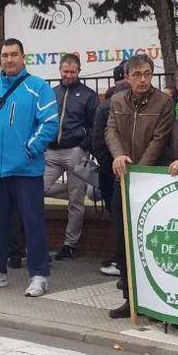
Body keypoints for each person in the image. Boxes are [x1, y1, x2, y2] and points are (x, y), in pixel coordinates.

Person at [0, 39, 59, 297]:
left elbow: (49, 123)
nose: (9, 59)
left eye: (14, 55)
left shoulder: (38, 87)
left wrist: (29, 150)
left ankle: (39, 275)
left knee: (33, 223)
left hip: (26, 170)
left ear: (23, 57)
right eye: (5, 55)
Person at [105, 54, 175, 318]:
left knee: (151, 240)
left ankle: (156, 299)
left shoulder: (164, 102)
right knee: (123, 240)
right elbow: (110, 131)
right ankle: (130, 298)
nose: (143, 79)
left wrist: (139, 171)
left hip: (149, 178)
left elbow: (160, 138)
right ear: (127, 77)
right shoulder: (117, 100)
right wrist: (119, 156)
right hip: (122, 177)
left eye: (147, 74)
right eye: (137, 74)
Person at [44, 53, 99, 261]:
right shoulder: (51, 93)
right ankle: (74, 191)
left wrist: (84, 145)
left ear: (79, 72)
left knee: (76, 202)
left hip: (75, 151)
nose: (68, 75)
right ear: (59, 71)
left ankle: (70, 244)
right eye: (65, 71)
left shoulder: (88, 95)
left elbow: (96, 125)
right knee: (38, 187)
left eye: (72, 72)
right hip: (51, 151)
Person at [92, 63, 129, 276]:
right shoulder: (108, 107)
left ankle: (120, 261)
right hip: (115, 172)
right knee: (120, 218)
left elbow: (96, 143)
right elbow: (98, 140)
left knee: (117, 218)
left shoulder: (106, 104)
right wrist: (111, 166)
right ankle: (121, 262)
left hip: (112, 171)